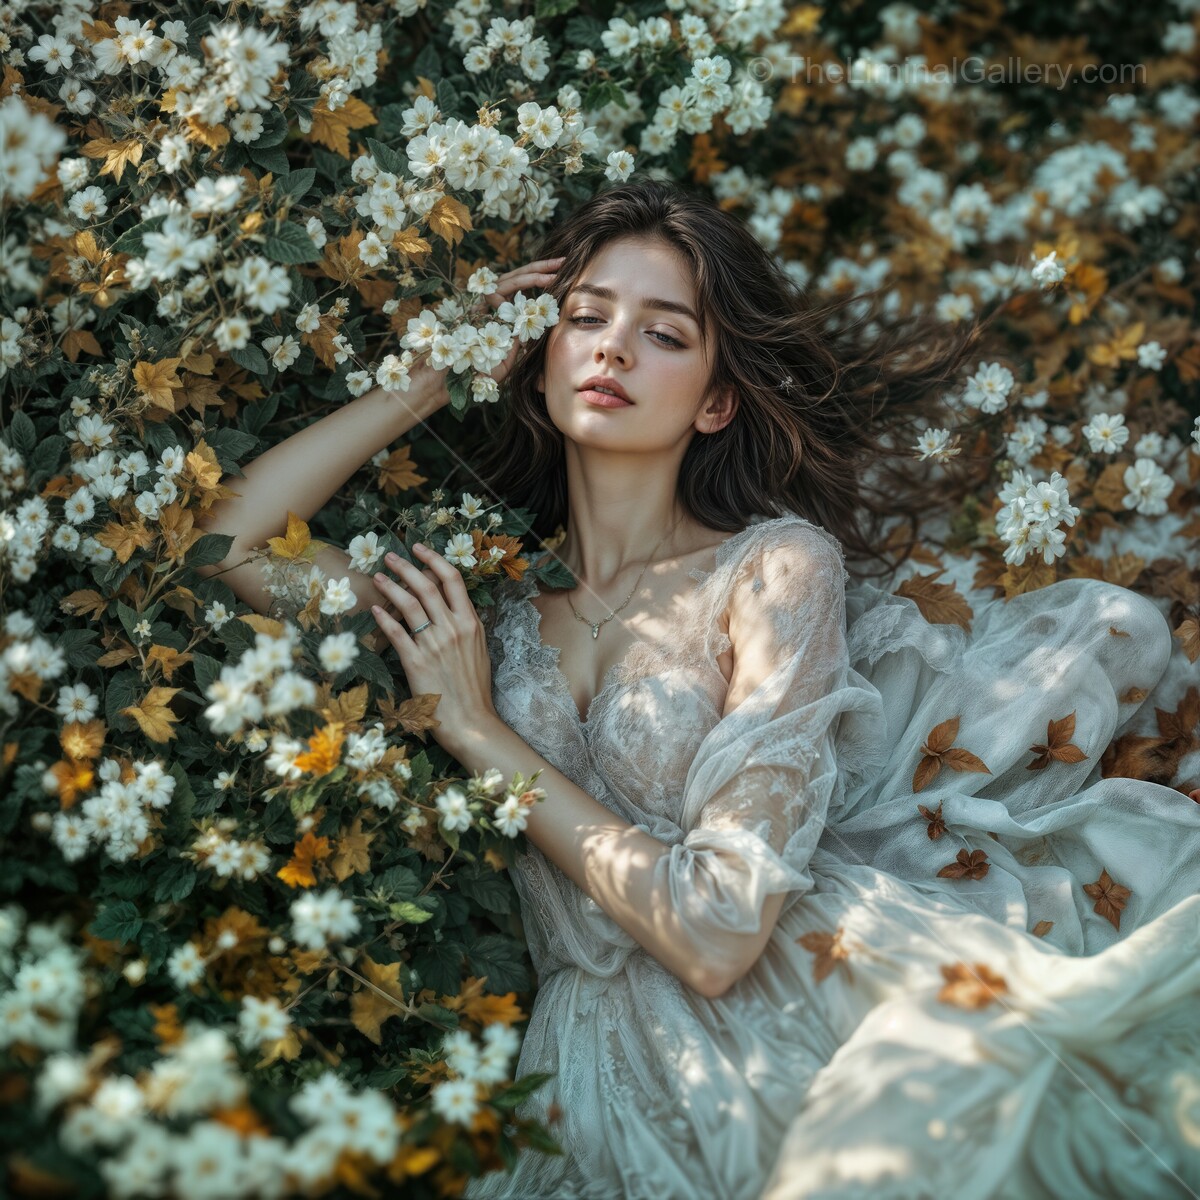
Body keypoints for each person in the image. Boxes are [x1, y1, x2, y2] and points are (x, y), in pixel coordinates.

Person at [201, 180, 1200, 1199]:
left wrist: (474, 728)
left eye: (664, 334)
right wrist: (423, 381)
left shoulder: (772, 571)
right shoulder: (486, 612)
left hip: (803, 1023)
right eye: (582, 317)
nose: (612, 348)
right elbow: (222, 546)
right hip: (589, 1077)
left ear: (719, 399)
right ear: (537, 354)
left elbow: (720, 931)